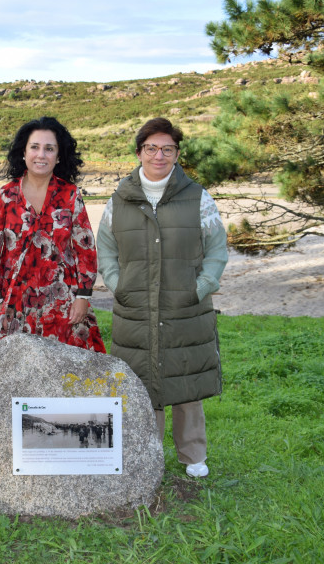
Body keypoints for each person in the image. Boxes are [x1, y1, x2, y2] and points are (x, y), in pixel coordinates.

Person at [97, 117, 228, 478]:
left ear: (176, 154)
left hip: (185, 306)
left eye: (167, 149)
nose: (159, 155)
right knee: (140, 383)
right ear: (139, 152)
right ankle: (146, 454)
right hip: (134, 305)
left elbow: (217, 248)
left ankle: (193, 454)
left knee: (186, 381)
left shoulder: (198, 197)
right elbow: (105, 247)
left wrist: (200, 287)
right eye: (152, 148)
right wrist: (117, 282)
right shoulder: (119, 199)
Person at [0, 116, 106, 357]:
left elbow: (85, 248)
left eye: (49, 148)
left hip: (62, 302)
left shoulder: (70, 195)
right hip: (11, 301)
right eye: (35, 147)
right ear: (24, 153)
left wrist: (82, 296)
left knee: (65, 372)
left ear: (58, 156)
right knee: (12, 374)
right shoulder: (5, 196)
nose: (41, 154)